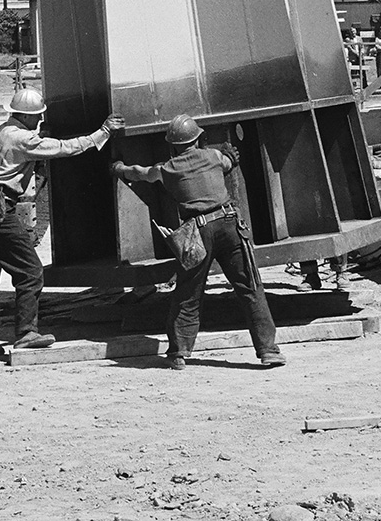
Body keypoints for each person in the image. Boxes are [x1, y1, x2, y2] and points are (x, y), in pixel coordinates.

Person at [110, 113, 285, 370]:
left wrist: (118, 169)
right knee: (250, 287)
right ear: (199, 137)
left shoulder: (168, 169)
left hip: (197, 233)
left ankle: (179, 353)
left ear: (173, 144)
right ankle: (268, 351)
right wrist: (229, 155)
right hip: (229, 225)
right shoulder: (213, 157)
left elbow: (141, 174)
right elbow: (228, 162)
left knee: (188, 293)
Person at [0, 86, 123, 358]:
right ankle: (26, 333)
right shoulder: (23, 140)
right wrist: (103, 132)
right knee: (30, 272)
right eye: (37, 117)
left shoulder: (2, 130)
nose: (39, 121)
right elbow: (65, 149)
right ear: (26, 117)